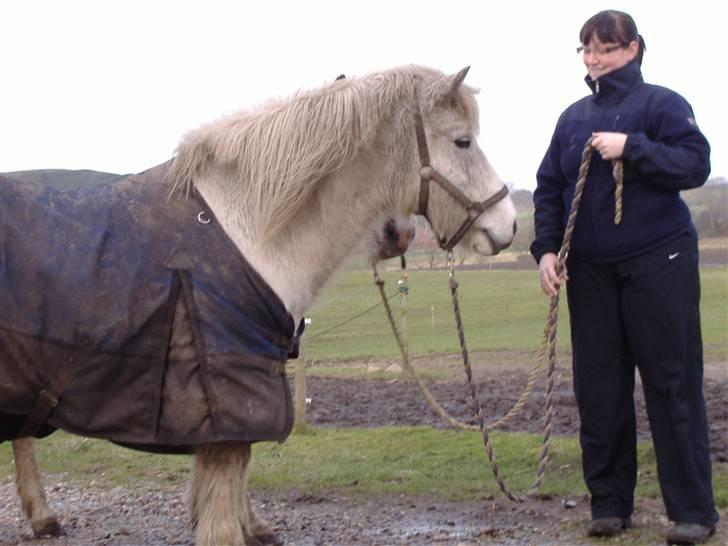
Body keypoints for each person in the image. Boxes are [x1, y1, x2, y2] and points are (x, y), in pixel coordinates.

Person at [530, 10, 719, 545]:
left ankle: (693, 514)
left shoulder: (662, 104)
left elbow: (695, 163)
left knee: (671, 385)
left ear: (633, 49)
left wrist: (631, 148)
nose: (594, 59)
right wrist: (545, 251)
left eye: (606, 49)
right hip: (589, 273)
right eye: (587, 49)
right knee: (600, 391)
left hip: (659, 263)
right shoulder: (570, 119)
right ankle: (610, 504)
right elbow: (548, 190)